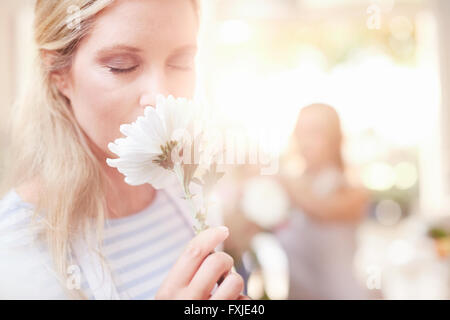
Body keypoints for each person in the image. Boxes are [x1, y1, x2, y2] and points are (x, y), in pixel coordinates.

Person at [0, 0, 248, 300]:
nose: (160, 96)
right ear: (59, 73)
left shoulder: (191, 193)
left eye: (181, 62)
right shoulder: (18, 240)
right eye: (122, 66)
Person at [275, 103, 370, 299]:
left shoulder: (350, 187)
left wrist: (285, 186)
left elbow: (323, 209)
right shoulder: (286, 190)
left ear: (334, 139)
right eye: (300, 131)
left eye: (315, 132)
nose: (305, 141)